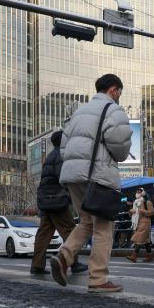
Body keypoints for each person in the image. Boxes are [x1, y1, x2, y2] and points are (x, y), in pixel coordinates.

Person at [49, 74, 131, 293]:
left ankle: (64, 257)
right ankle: (98, 278)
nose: (119, 98)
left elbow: (64, 148)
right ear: (114, 90)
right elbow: (121, 147)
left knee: (85, 221)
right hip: (98, 174)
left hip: (73, 175)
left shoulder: (77, 113)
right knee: (103, 228)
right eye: (119, 93)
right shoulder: (113, 110)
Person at [31, 130, 87, 275]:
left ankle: (37, 265)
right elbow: (63, 176)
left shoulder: (51, 155)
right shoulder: (61, 155)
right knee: (69, 230)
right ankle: (73, 262)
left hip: (45, 200)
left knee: (43, 234)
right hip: (57, 199)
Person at [126, 188, 154, 263]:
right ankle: (149, 256)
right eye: (137, 191)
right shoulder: (135, 202)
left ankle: (134, 256)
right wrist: (131, 211)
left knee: (139, 239)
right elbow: (132, 215)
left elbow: (152, 212)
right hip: (137, 223)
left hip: (145, 222)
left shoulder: (147, 202)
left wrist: (141, 211)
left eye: (140, 191)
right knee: (146, 240)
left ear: (143, 193)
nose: (138, 193)